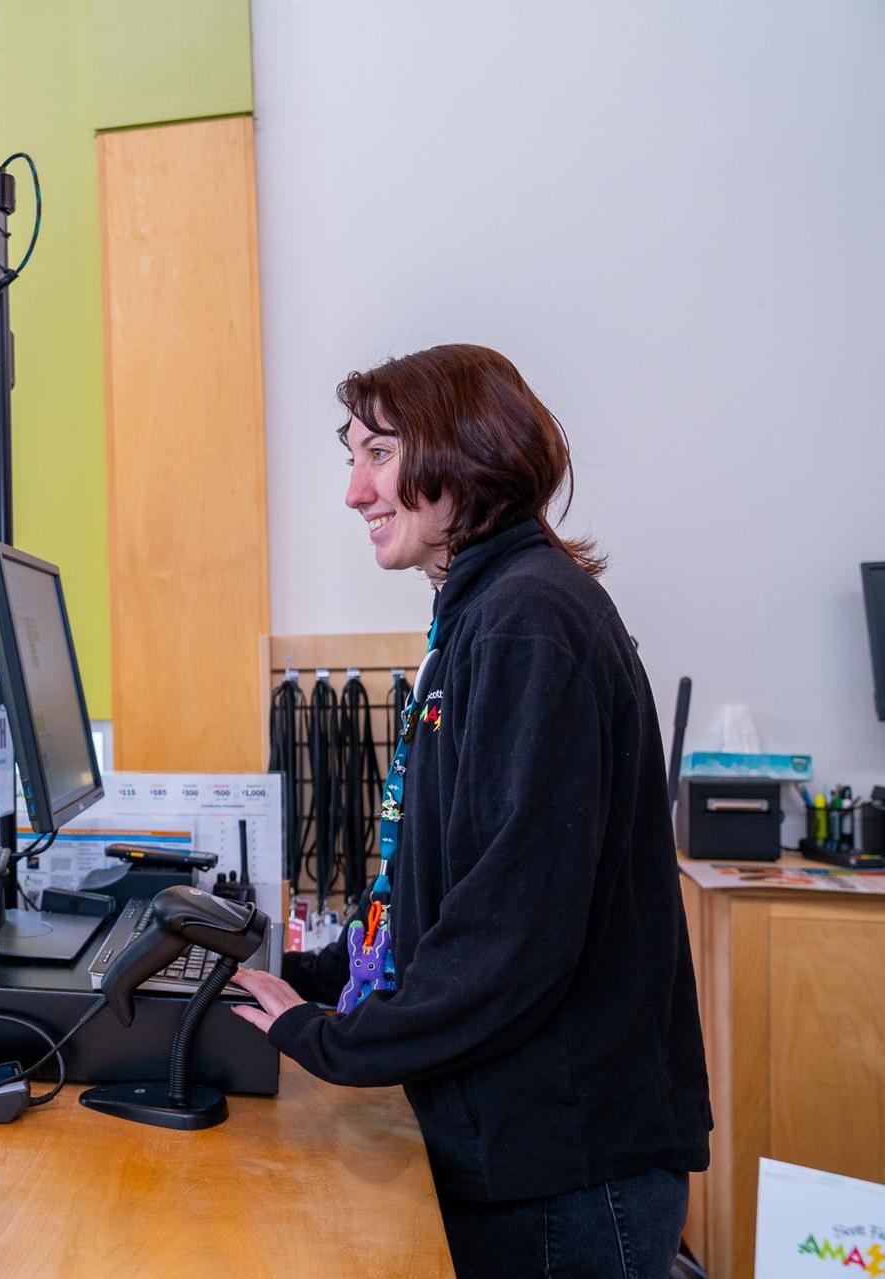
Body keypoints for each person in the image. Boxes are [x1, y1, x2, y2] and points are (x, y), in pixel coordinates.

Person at [230, 344, 711, 1277]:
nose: (355, 491)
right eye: (352, 456)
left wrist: (331, 1039)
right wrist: (312, 969)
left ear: (464, 452)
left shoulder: (529, 622)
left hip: (564, 1173)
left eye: (378, 453)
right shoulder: (482, 611)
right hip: (527, 1152)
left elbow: (511, 928)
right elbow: (437, 884)